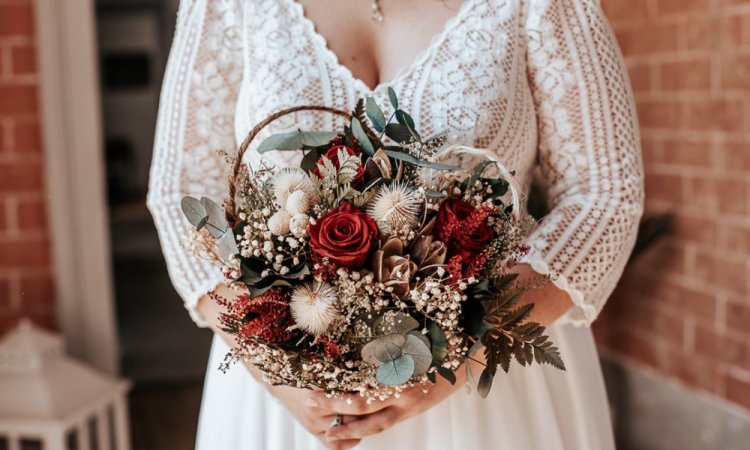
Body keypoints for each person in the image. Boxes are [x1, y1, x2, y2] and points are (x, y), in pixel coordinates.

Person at [148, 0, 644, 448]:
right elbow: (181, 195)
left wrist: (459, 356)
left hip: (491, 389)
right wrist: (275, 370)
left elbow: (604, 193)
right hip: (290, 395)